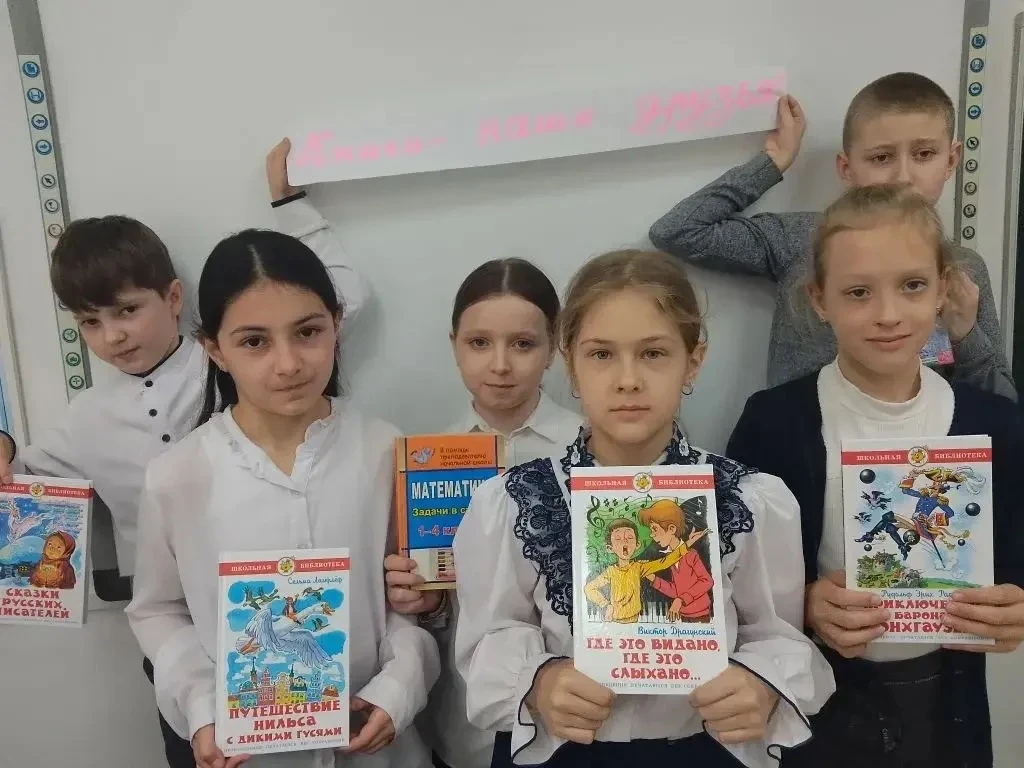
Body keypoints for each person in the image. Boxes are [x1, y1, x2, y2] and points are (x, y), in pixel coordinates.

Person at [0, 139, 367, 768]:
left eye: (127, 310)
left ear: (173, 298)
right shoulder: (85, 421)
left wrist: (292, 205)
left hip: (288, 614)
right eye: (90, 323)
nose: (113, 335)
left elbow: (341, 297)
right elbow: (24, 481)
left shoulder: (237, 355)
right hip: (177, 637)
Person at [452, 249, 834, 767]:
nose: (628, 379)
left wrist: (761, 685)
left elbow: (776, 634)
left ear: (692, 361)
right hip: (563, 753)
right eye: (601, 355)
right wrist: (539, 682)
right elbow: (489, 638)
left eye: (653, 353)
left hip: (701, 751)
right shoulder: (514, 501)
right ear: (570, 364)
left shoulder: (749, 498)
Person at [726, 184, 1024, 768]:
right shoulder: (773, 422)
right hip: (815, 704)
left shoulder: (993, 424)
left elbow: (1013, 558)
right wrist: (806, 603)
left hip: (949, 703)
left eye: (912, 285)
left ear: (942, 288)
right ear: (820, 300)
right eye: (858, 292)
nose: (888, 314)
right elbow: (732, 572)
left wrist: (1015, 606)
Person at [125, 228, 438, 768]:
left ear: (336, 324)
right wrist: (202, 707)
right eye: (255, 342)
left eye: (308, 332)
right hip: (250, 751)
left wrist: (399, 686)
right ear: (214, 349)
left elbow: (410, 598)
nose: (289, 363)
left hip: (374, 741)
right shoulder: (177, 476)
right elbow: (158, 610)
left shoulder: (389, 452)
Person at [649, 72, 1015, 401]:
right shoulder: (803, 240)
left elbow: (1002, 407)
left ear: (951, 161)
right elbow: (679, 231)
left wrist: (966, 336)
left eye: (924, 154)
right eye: (881, 158)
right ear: (846, 168)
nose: (903, 176)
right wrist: (774, 162)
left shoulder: (961, 270)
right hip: (802, 444)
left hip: (914, 454)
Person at [385, 259, 583, 768]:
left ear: (554, 348)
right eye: (479, 343)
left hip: (574, 715)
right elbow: (437, 613)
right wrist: (425, 601)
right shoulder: (421, 462)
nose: (500, 365)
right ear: (454, 345)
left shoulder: (592, 450)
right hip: (465, 723)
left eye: (523, 344)